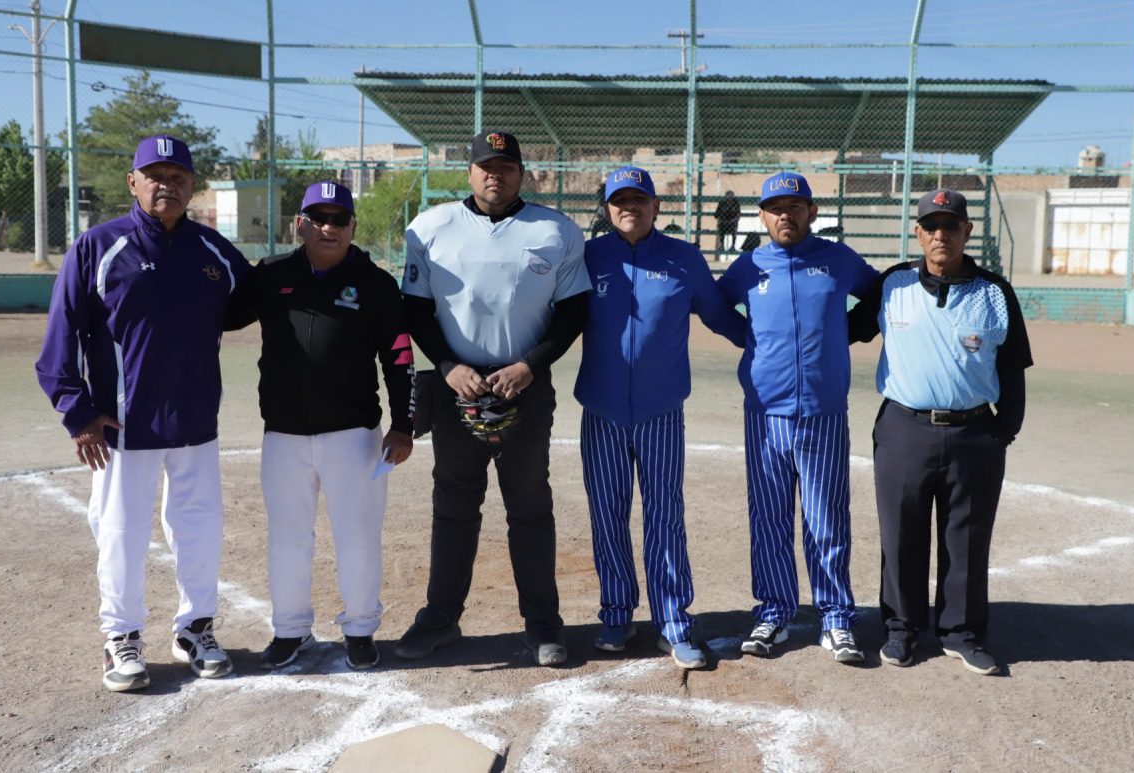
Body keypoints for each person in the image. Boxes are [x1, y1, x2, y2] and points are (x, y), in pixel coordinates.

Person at [35, 135, 250, 692]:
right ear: (133, 182)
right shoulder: (98, 247)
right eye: (154, 176)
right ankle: (122, 636)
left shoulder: (214, 251)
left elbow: (259, 301)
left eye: (178, 177)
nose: (166, 186)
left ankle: (195, 628)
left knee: (199, 528)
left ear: (192, 185)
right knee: (120, 532)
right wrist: (78, 412)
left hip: (196, 423)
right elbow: (60, 339)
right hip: (121, 428)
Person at [398, 130, 590, 667]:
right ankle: (440, 617)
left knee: (529, 507)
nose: (494, 175)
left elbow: (573, 313)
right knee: (454, 506)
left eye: (505, 167)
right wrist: (447, 366)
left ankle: (543, 622)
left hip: (524, 385)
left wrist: (531, 365)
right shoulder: (430, 227)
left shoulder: (556, 230)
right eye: (485, 166)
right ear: (469, 172)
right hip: (456, 387)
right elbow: (415, 310)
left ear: (521, 174)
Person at [226, 180, 415, 672]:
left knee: (358, 538)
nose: (328, 227)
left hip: (353, 435)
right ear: (300, 224)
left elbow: (399, 357)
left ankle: (360, 629)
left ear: (353, 226)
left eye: (338, 219)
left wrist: (404, 424)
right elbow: (222, 315)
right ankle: (290, 630)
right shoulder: (271, 275)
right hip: (283, 435)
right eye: (318, 218)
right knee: (287, 538)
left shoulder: (376, 284)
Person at [848, 189, 1033, 676]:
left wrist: (1002, 432)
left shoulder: (995, 292)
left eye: (951, 226)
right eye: (931, 226)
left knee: (966, 538)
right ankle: (901, 629)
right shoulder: (893, 285)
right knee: (901, 533)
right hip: (904, 429)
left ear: (967, 232)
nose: (940, 235)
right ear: (918, 232)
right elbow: (844, 329)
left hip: (974, 433)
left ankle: (961, 633)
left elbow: (1013, 367)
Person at [575, 166, 745, 670]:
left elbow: (719, 315)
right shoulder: (588, 257)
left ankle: (673, 620)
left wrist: (770, 343)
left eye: (639, 199)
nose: (629, 207)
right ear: (607, 208)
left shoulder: (683, 258)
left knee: (664, 516)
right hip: (601, 411)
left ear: (655, 206)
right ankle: (617, 613)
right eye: (619, 200)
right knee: (607, 514)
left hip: (661, 413)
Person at [718, 171, 879, 663]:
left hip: (823, 412)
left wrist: (847, 331)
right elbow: (716, 307)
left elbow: (879, 293)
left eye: (794, 207)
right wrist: (749, 340)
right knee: (768, 517)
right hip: (764, 413)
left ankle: (836, 617)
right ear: (763, 216)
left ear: (812, 211)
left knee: (826, 518)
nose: (784, 215)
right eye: (775, 208)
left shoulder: (838, 259)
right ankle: (774, 612)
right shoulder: (749, 266)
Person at [714, 190, 740, 257]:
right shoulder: (722, 203)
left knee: (734, 227)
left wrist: (734, 220)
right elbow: (716, 214)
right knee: (721, 226)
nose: (729, 200)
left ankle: (733, 246)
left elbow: (738, 214)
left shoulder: (736, 203)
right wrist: (722, 217)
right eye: (728, 198)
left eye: (731, 198)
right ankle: (722, 246)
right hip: (723, 223)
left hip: (732, 223)